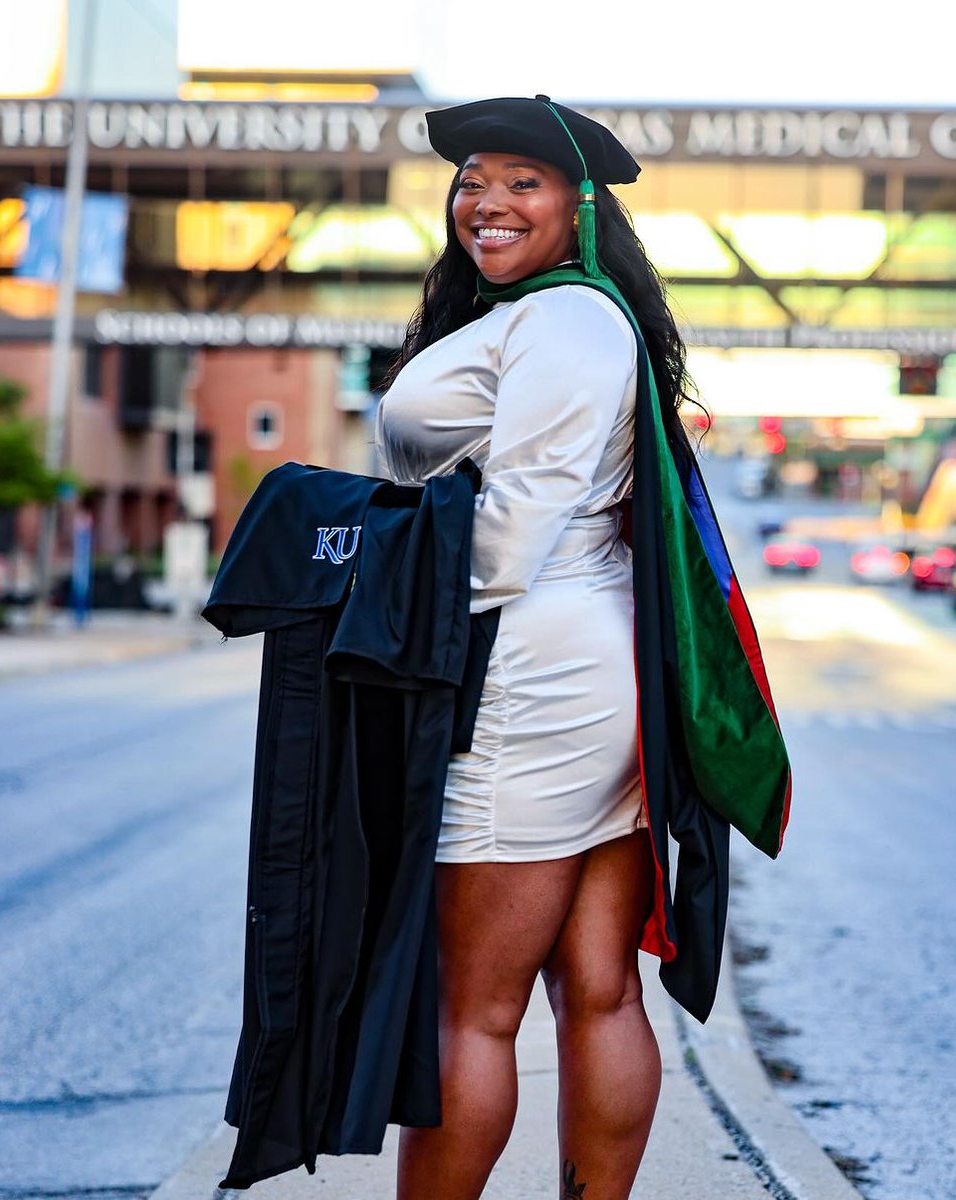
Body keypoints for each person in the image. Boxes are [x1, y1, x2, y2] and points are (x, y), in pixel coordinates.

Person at [376, 96, 791, 1200]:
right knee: (597, 985)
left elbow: (509, 534)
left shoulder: (563, 321)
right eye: (473, 180)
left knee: (472, 1006)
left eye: (523, 181)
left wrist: (372, 604)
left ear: (580, 206)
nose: (488, 201)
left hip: (527, 675)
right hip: (586, 665)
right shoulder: (560, 319)